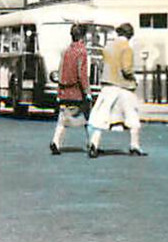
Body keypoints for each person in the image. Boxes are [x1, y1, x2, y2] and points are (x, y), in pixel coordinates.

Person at [88, 23, 145, 157]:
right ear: (130, 35)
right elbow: (126, 69)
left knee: (102, 116)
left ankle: (94, 144)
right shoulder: (127, 48)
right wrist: (133, 77)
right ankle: (134, 145)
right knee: (132, 116)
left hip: (107, 85)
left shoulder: (108, 47)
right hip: (123, 87)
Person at [50, 25, 91, 155]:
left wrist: (59, 90)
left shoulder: (66, 51)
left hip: (64, 91)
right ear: (83, 37)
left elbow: (61, 71)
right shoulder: (82, 51)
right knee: (88, 118)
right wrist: (87, 92)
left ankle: (56, 142)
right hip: (77, 91)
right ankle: (92, 143)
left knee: (62, 119)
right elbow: (82, 74)